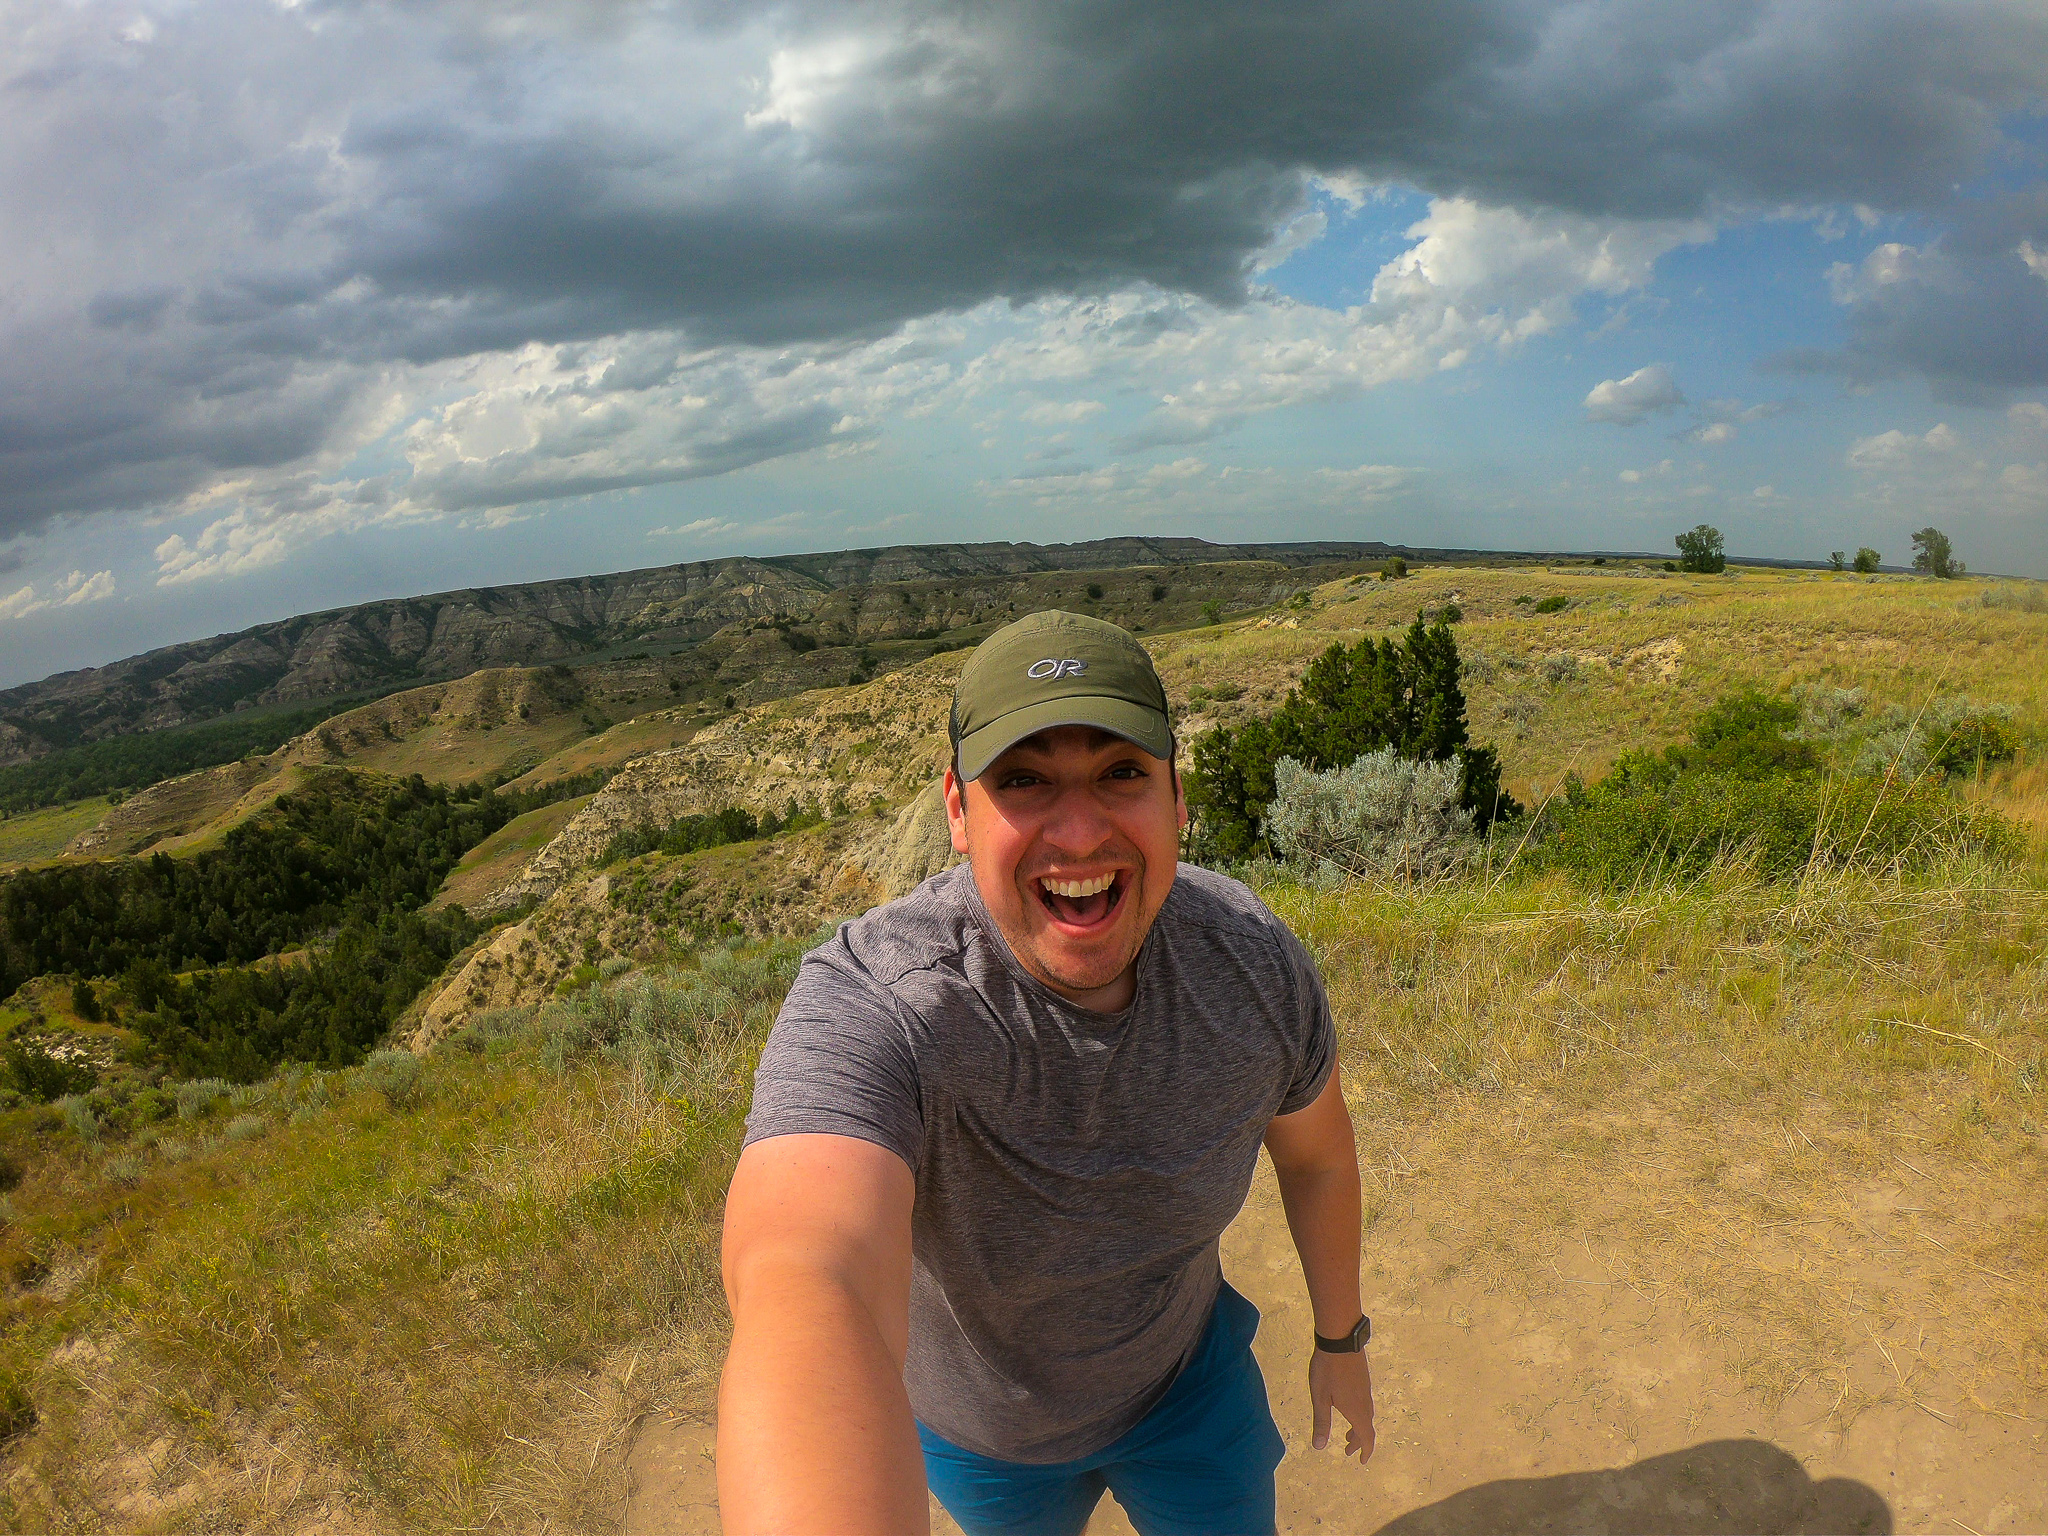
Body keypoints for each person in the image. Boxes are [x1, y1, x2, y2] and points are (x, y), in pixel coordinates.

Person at [719, 610, 1373, 1536]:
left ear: (1176, 795)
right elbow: (804, 1271)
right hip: (983, 1442)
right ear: (956, 810)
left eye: (1120, 773)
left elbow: (1316, 1157)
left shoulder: (1252, 963)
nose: (1077, 831)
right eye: (1023, 781)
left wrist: (1340, 1339)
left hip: (1189, 1388)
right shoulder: (884, 1003)